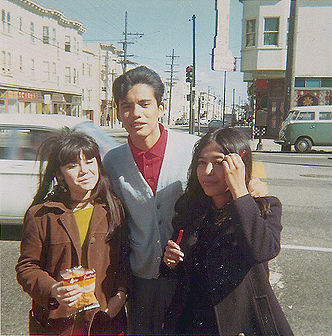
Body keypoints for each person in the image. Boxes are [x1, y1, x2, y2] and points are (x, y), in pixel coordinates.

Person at [103, 66, 268, 335]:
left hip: (186, 272)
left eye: (145, 104)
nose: (136, 114)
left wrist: (253, 187)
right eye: (126, 106)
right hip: (140, 274)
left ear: (161, 107)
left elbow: (237, 175)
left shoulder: (193, 149)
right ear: (119, 112)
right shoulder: (113, 160)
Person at [162, 127, 294, 336]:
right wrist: (170, 261)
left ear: (238, 165)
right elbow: (178, 261)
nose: (207, 172)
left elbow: (264, 250)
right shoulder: (190, 206)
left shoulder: (263, 207)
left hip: (240, 320)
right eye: (201, 163)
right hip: (193, 319)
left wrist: (240, 192)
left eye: (219, 162)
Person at [16, 128, 130, 336]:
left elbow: (123, 260)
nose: (84, 170)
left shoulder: (113, 208)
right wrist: (53, 290)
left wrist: (121, 295)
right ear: (59, 174)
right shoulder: (41, 215)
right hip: (57, 324)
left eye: (89, 161)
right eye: (72, 165)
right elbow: (27, 267)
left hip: (103, 320)